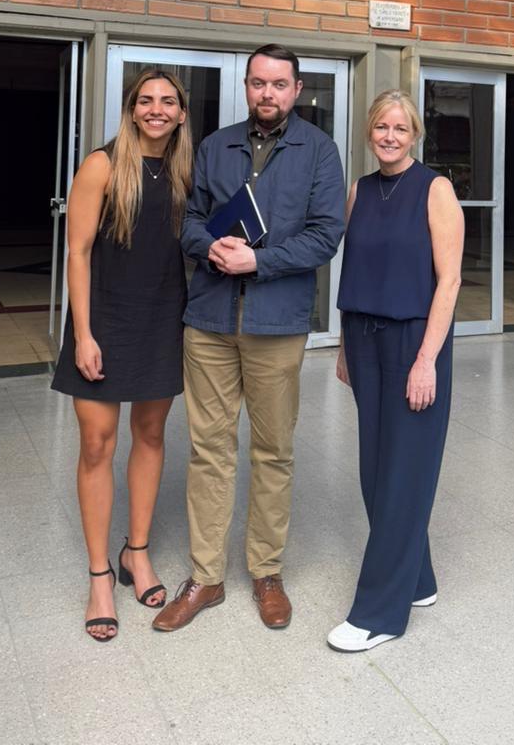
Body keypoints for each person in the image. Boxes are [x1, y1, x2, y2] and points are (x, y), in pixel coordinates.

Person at [153, 45, 345, 634]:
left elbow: (326, 234)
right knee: (208, 449)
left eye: (279, 84)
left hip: (276, 325)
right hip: (210, 322)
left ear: (297, 89)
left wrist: (258, 261)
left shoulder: (319, 151)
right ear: (246, 86)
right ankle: (206, 577)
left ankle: (266, 572)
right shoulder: (215, 146)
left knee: (273, 451)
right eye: (259, 83)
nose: (268, 93)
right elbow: (188, 219)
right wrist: (208, 246)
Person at [51, 68, 193, 642]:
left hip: (162, 318)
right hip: (104, 320)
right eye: (146, 100)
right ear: (132, 109)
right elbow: (77, 253)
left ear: (181, 113)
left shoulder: (185, 170)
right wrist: (83, 334)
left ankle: (137, 552)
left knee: (151, 435)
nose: (157, 109)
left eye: (168, 101)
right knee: (96, 444)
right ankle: (99, 576)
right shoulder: (102, 165)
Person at [327, 89, 464, 653]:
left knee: (405, 471)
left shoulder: (435, 189)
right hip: (363, 337)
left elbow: (449, 280)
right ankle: (419, 580)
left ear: (415, 136)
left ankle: (379, 613)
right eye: (382, 127)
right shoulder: (359, 190)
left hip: (414, 341)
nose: (390, 136)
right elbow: (353, 267)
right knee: (377, 470)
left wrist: (426, 359)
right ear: (369, 132)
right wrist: (343, 346)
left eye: (400, 128)